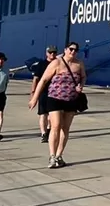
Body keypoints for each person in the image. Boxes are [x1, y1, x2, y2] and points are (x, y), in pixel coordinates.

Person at [28, 41, 86, 169]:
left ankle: (59, 156)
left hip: (71, 99)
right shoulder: (56, 63)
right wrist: (34, 98)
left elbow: (83, 77)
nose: (73, 52)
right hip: (55, 98)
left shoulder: (79, 64)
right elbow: (43, 80)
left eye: (75, 50)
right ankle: (52, 156)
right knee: (56, 126)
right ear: (65, 50)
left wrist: (81, 85)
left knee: (65, 128)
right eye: (71, 49)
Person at [29, 46, 58, 143]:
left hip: (56, 93)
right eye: (50, 52)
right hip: (43, 92)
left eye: (54, 52)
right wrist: (33, 93)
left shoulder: (59, 63)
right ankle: (44, 133)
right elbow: (36, 79)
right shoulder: (41, 64)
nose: (52, 54)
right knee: (43, 114)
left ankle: (49, 129)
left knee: (52, 115)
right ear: (46, 53)